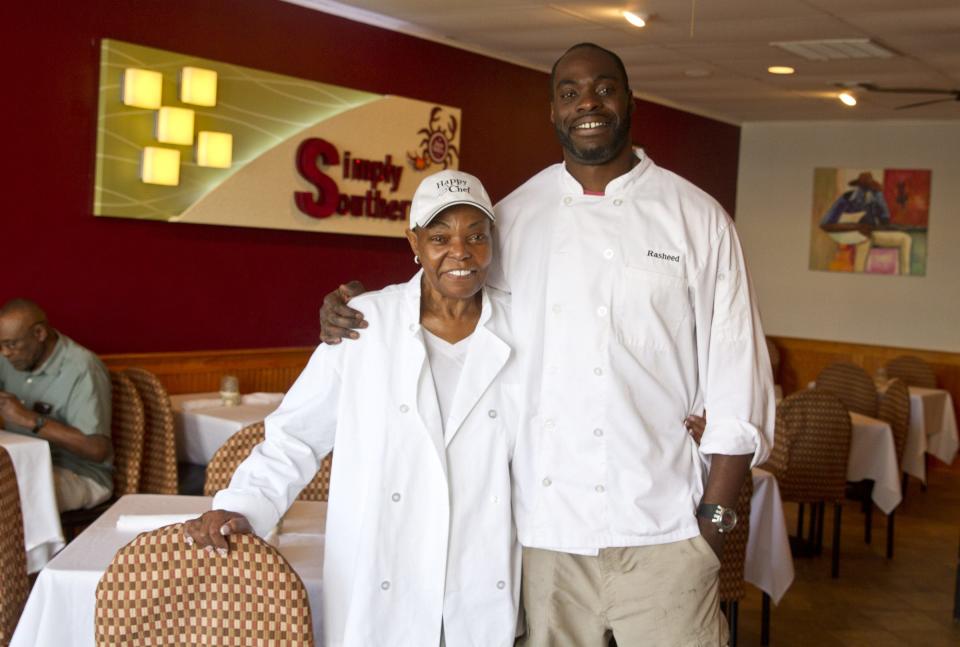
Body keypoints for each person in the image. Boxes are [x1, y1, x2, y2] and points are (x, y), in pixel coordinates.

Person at [319, 43, 775, 646]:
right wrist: (355, 309)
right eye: (570, 93)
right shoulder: (513, 217)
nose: (588, 103)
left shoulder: (697, 218)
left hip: (663, 532)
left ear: (630, 99)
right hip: (541, 538)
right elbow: (448, 288)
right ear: (553, 111)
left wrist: (710, 530)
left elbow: (737, 379)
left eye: (605, 88)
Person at [184, 170, 522, 647]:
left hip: (481, 567)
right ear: (415, 242)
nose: (460, 252)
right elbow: (297, 436)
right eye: (440, 237)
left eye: (476, 236)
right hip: (384, 563)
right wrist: (241, 505)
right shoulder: (365, 323)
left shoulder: (519, 328)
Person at [0, 298, 113, 511]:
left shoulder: (82, 369)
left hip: (78, 473)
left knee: (6, 498)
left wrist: (29, 419)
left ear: (39, 334)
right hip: (21, 465)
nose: (5, 353)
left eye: (11, 344)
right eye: (1, 345)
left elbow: (97, 450)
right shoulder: (9, 359)